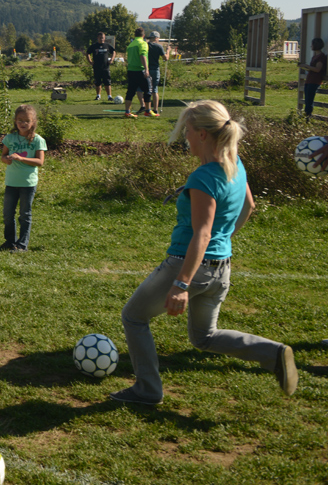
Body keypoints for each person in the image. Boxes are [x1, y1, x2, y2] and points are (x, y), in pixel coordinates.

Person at [110, 100, 297, 405]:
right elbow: (249, 206)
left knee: (133, 317)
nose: (184, 136)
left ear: (201, 135)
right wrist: (224, 241)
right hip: (221, 268)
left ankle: (147, 389)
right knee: (204, 338)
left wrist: (181, 284)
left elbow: (202, 233)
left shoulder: (203, 178)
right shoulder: (235, 165)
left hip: (187, 266)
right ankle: (272, 352)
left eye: (187, 130)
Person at [0, 104, 46, 252]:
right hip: (11, 182)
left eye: (27, 120)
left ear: (33, 122)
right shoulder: (10, 138)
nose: (23, 123)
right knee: (8, 214)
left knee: (25, 214)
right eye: (20, 120)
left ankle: (22, 244)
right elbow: (3, 155)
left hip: (27, 183)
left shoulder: (38, 140)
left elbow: (40, 162)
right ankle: (9, 242)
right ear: (15, 121)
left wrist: (20, 158)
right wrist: (6, 159)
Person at [124, 28, 151, 118]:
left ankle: (127, 112)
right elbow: (142, 55)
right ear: (143, 36)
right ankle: (148, 111)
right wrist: (146, 69)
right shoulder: (143, 43)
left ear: (135, 35)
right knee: (147, 91)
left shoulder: (131, 44)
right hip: (140, 70)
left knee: (130, 91)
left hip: (131, 70)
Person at [298, 37, 325, 117]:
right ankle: (306, 116)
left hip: (314, 80)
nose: (311, 46)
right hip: (309, 80)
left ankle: (307, 116)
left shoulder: (321, 57)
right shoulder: (315, 56)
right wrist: (305, 67)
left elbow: (317, 69)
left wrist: (307, 66)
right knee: (307, 100)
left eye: (312, 44)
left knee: (309, 101)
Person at [85, 32, 114, 101]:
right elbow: (87, 53)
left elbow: (114, 51)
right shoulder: (94, 46)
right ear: (98, 38)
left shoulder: (107, 45)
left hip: (105, 67)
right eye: (100, 38)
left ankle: (109, 96)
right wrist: (90, 61)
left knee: (107, 82)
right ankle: (98, 96)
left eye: (103, 38)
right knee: (98, 82)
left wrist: (112, 59)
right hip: (97, 67)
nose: (102, 39)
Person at [146, 31, 169, 116]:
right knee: (154, 89)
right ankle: (155, 109)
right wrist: (168, 51)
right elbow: (165, 58)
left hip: (146, 69)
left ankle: (146, 108)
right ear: (156, 38)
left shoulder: (145, 45)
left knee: (146, 89)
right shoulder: (158, 46)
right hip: (155, 69)